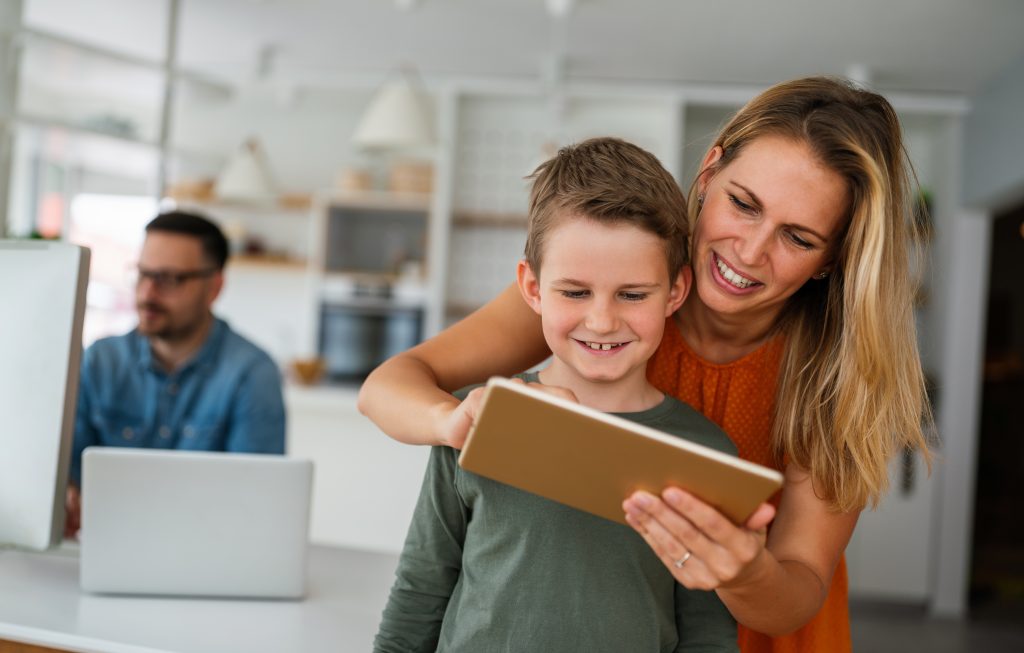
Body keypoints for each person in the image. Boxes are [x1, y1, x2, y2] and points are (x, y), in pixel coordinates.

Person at [358, 76, 934, 652]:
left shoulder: (837, 376)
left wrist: (739, 569)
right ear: (708, 174)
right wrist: (456, 422)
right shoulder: (598, 286)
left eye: (799, 238)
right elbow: (390, 386)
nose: (750, 251)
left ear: (834, 257)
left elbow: (800, 586)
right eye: (743, 203)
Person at [374, 137, 739, 652]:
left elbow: (707, 631)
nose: (602, 320)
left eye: (632, 295)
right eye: (575, 291)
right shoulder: (478, 419)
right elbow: (421, 587)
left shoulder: (704, 453)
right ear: (532, 288)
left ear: (675, 292)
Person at [65, 211, 286, 537]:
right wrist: (66, 492)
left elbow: (257, 502)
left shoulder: (251, 374)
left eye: (168, 279)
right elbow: (66, 472)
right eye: (142, 274)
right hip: (104, 544)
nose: (146, 294)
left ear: (214, 287)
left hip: (206, 557)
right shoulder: (101, 360)